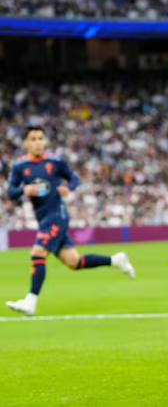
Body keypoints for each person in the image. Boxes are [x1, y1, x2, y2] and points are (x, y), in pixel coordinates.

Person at [5, 126, 135, 317]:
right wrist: (24, 190)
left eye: (40, 138)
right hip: (43, 218)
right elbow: (11, 192)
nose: (38, 142)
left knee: (38, 252)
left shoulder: (55, 160)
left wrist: (69, 188)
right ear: (25, 143)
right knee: (74, 261)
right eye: (33, 139)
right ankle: (116, 260)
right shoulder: (19, 166)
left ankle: (30, 302)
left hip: (57, 215)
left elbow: (74, 178)